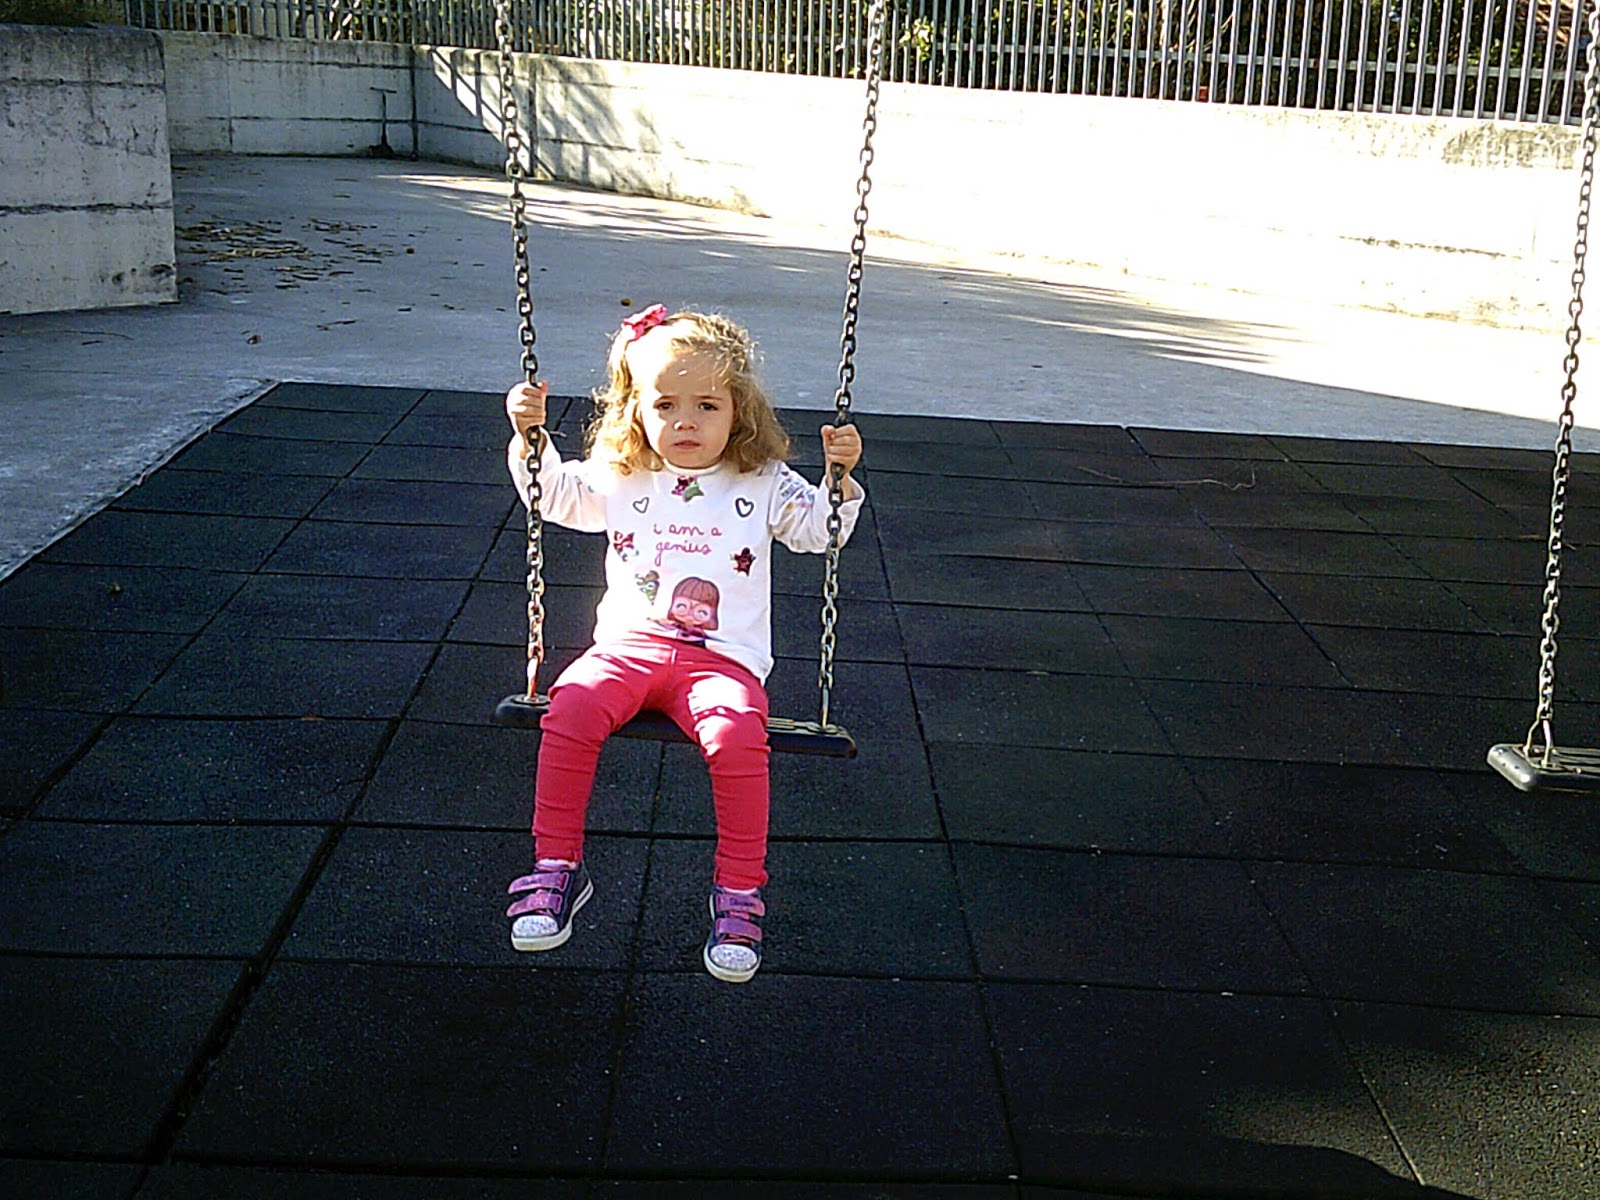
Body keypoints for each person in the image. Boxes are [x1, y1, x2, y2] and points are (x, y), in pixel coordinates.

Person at [502, 304, 865, 983]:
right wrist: (531, 439)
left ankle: (739, 891)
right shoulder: (622, 473)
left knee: (735, 736)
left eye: (707, 405)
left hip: (721, 662)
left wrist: (837, 480)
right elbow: (552, 496)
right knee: (570, 703)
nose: (686, 422)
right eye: (665, 405)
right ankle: (556, 866)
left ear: (739, 412)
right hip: (629, 647)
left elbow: (822, 531)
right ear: (636, 411)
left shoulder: (762, 481)